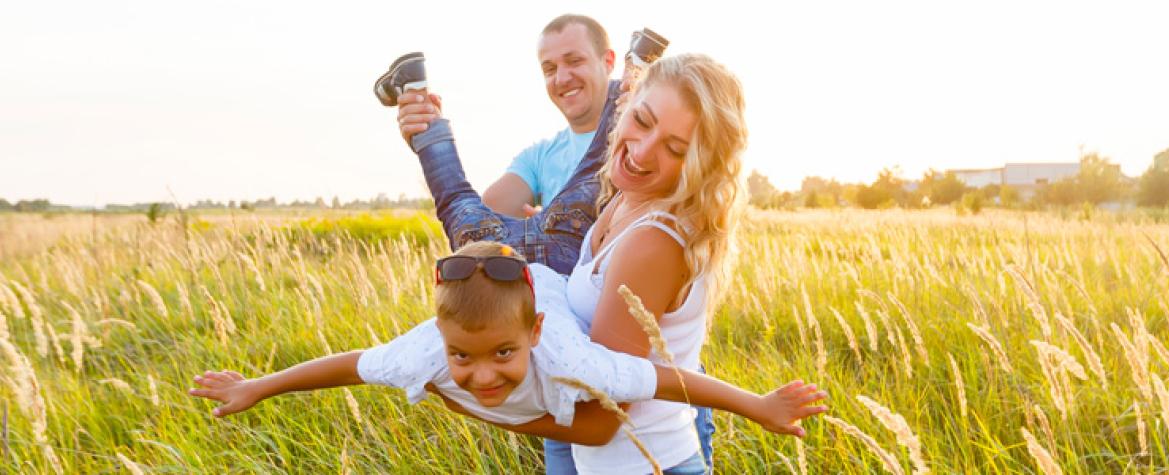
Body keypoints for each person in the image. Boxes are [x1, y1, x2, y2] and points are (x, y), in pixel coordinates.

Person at [187, 242, 826, 449]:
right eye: (463, 356)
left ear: (533, 340)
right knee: (464, 210)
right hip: (502, 283)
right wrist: (256, 387)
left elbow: (664, 379)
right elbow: (348, 365)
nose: (484, 375)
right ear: (442, 340)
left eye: (502, 354)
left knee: (565, 219)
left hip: (544, 280)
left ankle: (626, 81)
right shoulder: (424, 352)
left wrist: (758, 406)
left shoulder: (568, 357)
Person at [444, 53, 748, 475]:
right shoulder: (625, 201)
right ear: (624, 105)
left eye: (674, 148)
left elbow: (604, 420)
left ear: (701, 164)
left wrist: (467, 400)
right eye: (641, 121)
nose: (641, 152)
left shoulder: (653, 242)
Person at [396, 14, 621, 275]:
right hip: (544, 294)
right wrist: (428, 134)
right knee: (469, 225)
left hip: (606, 292)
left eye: (575, 61)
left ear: (608, 61)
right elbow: (484, 226)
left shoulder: (643, 139)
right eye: (549, 69)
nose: (561, 78)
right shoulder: (539, 156)